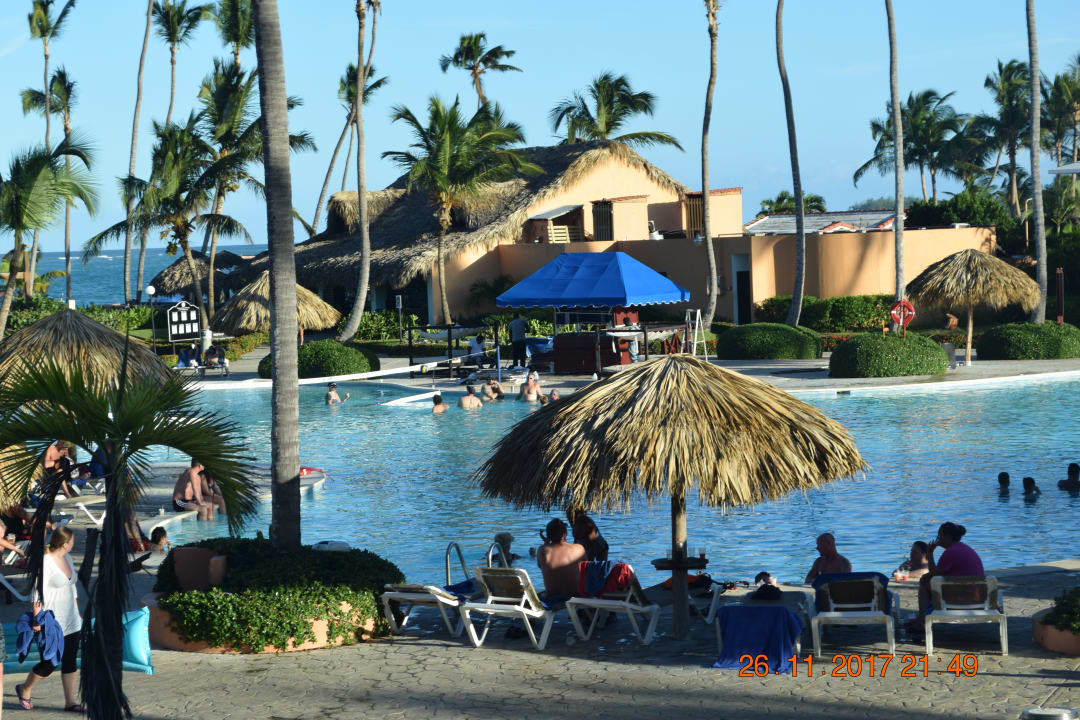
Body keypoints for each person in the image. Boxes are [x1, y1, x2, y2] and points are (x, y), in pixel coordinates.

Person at [16, 526, 83, 713]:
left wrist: (77, 612)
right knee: (50, 662)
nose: (73, 544)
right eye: (72, 541)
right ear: (65, 543)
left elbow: (72, 587)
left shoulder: (67, 558)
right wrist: (37, 620)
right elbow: (36, 592)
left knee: (70, 660)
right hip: (51, 621)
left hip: (71, 619)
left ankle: (70, 702)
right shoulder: (45, 562)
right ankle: (25, 688)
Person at [911, 522, 984, 631]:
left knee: (925, 581)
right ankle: (921, 619)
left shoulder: (950, 553)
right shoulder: (963, 548)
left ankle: (922, 621)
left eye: (939, 535)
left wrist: (930, 553)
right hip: (978, 597)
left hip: (961, 599)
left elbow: (933, 575)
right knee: (927, 579)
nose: (937, 538)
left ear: (947, 537)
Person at [535, 518, 586, 600]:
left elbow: (542, 566)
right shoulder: (579, 548)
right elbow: (586, 571)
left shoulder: (542, 550)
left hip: (552, 597)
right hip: (575, 597)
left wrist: (546, 543)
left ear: (548, 535)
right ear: (565, 534)